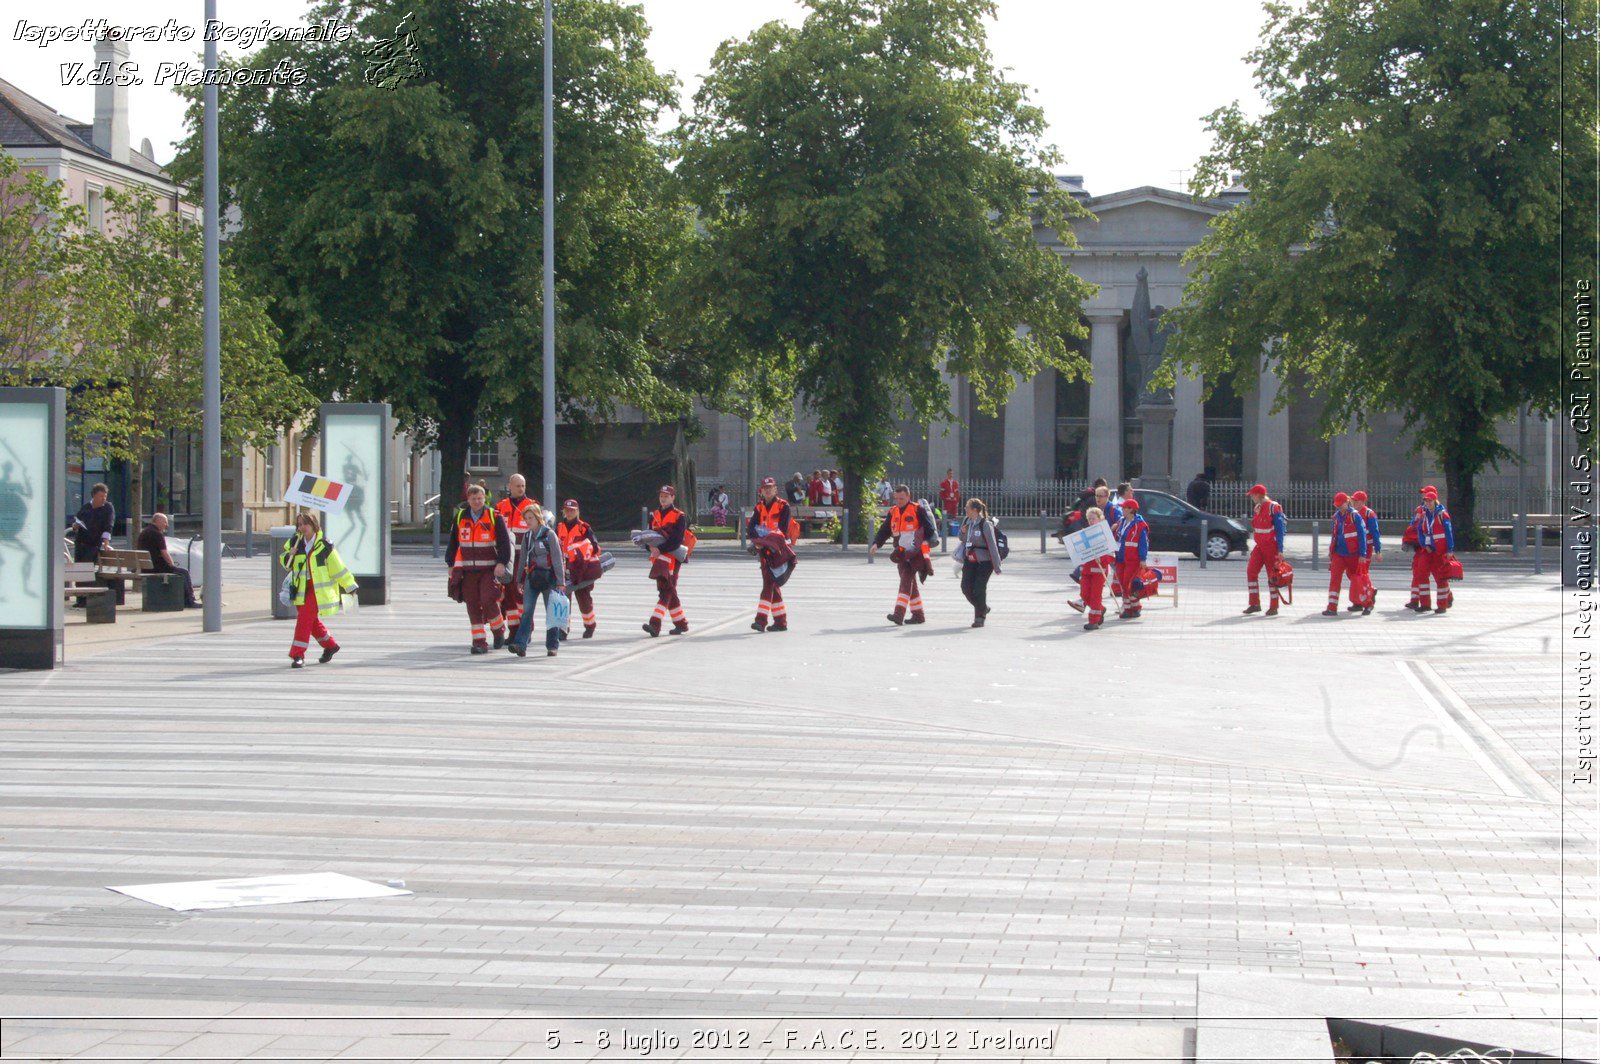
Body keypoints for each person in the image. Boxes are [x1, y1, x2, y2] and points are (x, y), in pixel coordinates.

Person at [280, 512, 358, 668]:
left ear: (313, 525)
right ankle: (330, 646)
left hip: (318, 591)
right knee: (311, 622)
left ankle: (297, 654)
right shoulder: (295, 542)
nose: (302, 528)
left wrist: (350, 586)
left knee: (303, 620)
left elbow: (338, 568)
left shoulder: (324, 545)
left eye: (305, 524)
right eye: (299, 524)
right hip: (301, 589)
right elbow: (286, 564)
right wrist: (290, 555)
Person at [446, 483, 512, 654]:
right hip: (467, 571)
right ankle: (479, 642)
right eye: (473, 498)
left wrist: (501, 563)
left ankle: (498, 630)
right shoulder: (460, 517)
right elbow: (453, 543)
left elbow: (505, 543)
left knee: (488, 599)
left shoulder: (493, 516)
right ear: (468, 499)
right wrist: (451, 565)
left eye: (479, 498)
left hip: (489, 569)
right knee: (472, 605)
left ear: (485, 499)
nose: (476, 501)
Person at [869, 483, 936, 625]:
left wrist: (922, 547)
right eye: (896, 499)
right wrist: (876, 543)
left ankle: (898, 614)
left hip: (914, 553)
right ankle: (918, 615)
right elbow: (885, 529)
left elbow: (929, 530)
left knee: (905, 581)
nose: (898, 501)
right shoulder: (893, 511)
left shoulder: (918, 509)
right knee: (911, 583)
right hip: (900, 553)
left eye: (901, 498)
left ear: (908, 497)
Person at [508, 500, 567, 658]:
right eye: (526, 518)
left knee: (551, 613)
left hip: (550, 579)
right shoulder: (527, 536)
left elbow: (557, 559)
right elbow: (522, 560)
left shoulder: (549, 534)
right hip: (533, 578)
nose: (528, 521)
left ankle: (552, 645)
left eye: (530, 518)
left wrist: (561, 583)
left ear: (538, 517)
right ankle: (520, 644)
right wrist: (519, 579)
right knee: (527, 611)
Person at [746, 476, 795, 632]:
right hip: (764, 549)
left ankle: (761, 620)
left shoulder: (783, 506)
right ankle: (781, 622)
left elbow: (782, 529)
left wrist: (763, 540)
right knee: (772, 585)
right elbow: (751, 528)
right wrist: (759, 541)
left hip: (777, 549)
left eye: (770, 488)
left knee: (769, 584)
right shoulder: (759, 507)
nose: (767, 490)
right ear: (761, 491)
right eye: (765, 488)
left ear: (775, 489)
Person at [642, 484, 689, 636]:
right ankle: (681, 624)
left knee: (665, 591)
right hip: (658, 559)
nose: (663, 499)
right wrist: (650, 548)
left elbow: (676, 540)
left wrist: (659, 549)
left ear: (673, 497)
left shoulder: (679, 516)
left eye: (666, 496)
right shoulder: (654, 514)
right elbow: (648, 537)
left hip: (672, 558)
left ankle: (655, 624)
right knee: (669, 590)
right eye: (661, 496)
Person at [495, 474, 539, 635]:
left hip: (524, 557)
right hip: (507, 557)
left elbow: (538, 533)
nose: (521, 489)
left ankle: (526, 628)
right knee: (508, 594)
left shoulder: (532, 507)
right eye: (518, 486)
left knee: (521, 593)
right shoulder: (501, 507)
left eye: (523, 486)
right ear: (510, 487)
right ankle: (514, 629)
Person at [557, 499, 602, 637]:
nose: (569, 513)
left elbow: (594, 547)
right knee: (564, 599)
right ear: (563, 511)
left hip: (581, 568)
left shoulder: (584, 527)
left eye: (572, 510)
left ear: (577, 511)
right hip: (564, 568)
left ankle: (590, 625)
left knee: (584, 598)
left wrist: (579, 550)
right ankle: (563, 629)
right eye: (567, 510)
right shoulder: (559, 527)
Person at [954, 498, 1002, 628]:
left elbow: (992, 545)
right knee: (966, 588)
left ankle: (979, 617)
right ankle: (983, 607)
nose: (965, 509)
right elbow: (962, 539)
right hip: (970, 559)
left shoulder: (985, 525)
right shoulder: (966, 521)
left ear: (975, 510)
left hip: (984, 562)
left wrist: (996, 566)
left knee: (979, 589)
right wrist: (962, 533)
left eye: (967, 507)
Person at [135, 512, 199, 608]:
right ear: (157, 522)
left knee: (181, 571)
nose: (167, 525)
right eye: (165, 522)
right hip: (157, 567)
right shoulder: (157, 534)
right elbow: (164, 553)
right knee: (184, 572)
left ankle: (188, 600)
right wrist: (172, 565)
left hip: (145, 567)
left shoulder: (144, 533)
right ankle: (190, 601)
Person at [1408, 487, 1456, 613]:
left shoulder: (1442, 514)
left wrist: (1450, 549)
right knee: (1421, 574)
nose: (1427, 503)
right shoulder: (1424, 515)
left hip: (1440, 551)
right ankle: (1425, 604)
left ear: (1435, 500)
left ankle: (1442, 605)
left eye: (1430, 501)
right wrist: (1425, 545)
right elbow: (1420, 531)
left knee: (1440, 577)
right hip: (1427, 550)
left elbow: (1448, 532)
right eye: (1426, 501)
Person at [1243, 483, 1287, 616]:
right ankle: (1254, 603)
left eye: (1252, 495)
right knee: (1251, 571)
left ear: (1258, 495)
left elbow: (1280, 529)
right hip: (1260, 546)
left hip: (1271, 547)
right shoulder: (1257, 507)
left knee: (1272, 576)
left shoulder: (1273, 507)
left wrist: (1280, 549)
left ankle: (1274, 606)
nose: (1251, 498)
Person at [1070, 507, 1116, 630]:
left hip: (1099, 571)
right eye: (1089, 518)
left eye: (1093, 518)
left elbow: (1112, 556)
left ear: (1100, 519)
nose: (1091, 521)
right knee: (1084, 595)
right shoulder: (1083, 534)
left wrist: (1102, 560)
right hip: (1086, 570)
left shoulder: (1105, 535)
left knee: (1095, 596)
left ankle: (1094, 621)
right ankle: (1101, 609)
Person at [1323, 492, 1368, 617]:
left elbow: (1362, 535)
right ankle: (1332, 607)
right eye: (1337, 505)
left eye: (1340, 505)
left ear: (1347, 502)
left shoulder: (1355, 516)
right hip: (1339, 553)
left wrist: (1362, 554)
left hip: (1353, 554)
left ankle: (1368, 603)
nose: (1338, 507)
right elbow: (1335, 535)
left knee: (1358, 580)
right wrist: (1331, 552)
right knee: (1334, 579)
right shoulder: (1337, 516)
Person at [1112, 498, 1150, 618]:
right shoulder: (1121, 521)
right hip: (1120, 558)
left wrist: (1143, 559)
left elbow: (1144, 543)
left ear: (1131, 510)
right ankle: (1129, 608)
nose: (1122, 509)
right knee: (1123, 584)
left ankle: (1135, 607)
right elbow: (1117, 537)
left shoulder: (1140, 525)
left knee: (1128, 583)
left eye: (1124, 507)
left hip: (1132, 559)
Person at [1348, 490, 1381, 614]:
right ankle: (1360, 600)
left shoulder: (1369, 514)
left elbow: (1375, 533)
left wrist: (1378, 550)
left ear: (1362, 502)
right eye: (1353, 500)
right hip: (1354, 549)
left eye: (1356, 500)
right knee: (1353, 575)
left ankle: (1367, 599)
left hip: (1366, 549)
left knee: (1361, 576)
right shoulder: (1352, 513)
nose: (1354, 502)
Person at [68, 482, 115, 563]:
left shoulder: (108, 508)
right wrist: (75, 526)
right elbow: (76, 521)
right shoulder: (86, 507)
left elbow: (108, 525)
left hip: (93, 545)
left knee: (87, 570)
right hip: (80, 544)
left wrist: (106, 543)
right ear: (94, 495)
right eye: (101, 496)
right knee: (79, 570)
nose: (103, 498)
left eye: (105, 496)